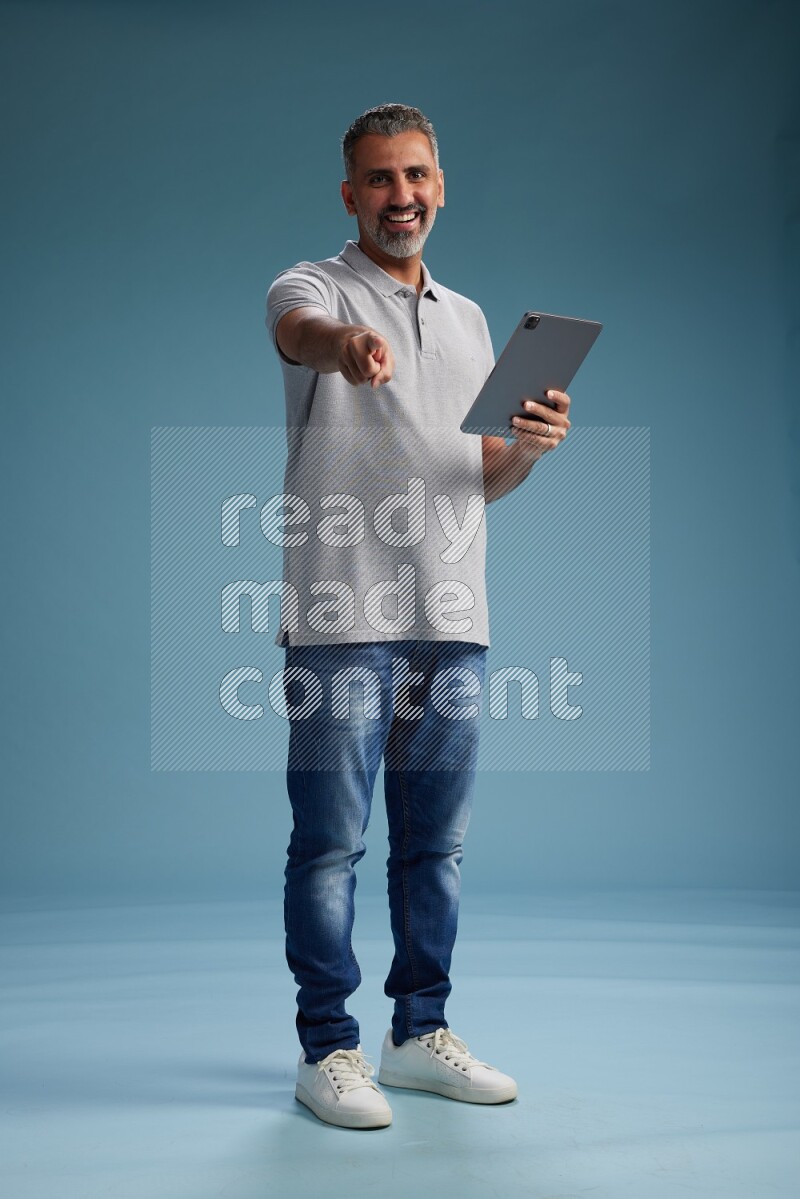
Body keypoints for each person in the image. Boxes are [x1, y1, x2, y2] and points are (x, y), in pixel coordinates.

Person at [265, 103, 571, 1130]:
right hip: (342, 610)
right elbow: (296, 333)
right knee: (328, 845)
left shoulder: (475, 319)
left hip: (451, 612)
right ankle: (328, 1048)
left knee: (431, 847)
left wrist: (526, 443)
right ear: (349, 195)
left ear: (439, 185)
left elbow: (476, 475)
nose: (401, 196)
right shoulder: (312, 288)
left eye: (416, 176)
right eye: (379, 179)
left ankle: (414, 1033)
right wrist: (343, 345)